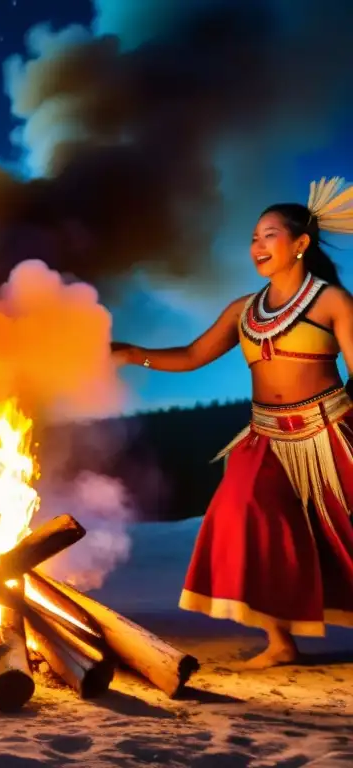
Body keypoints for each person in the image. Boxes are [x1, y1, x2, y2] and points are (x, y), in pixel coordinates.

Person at [113, 176, 353, 669]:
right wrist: (134, 353)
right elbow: (194, 354)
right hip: (264, 435)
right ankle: (280, 642)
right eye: (253, 238)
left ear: (300, 244)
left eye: (269, 235)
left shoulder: (331, 301)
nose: (258, 245)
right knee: (242, 510)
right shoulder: (243, 310)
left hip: (330, 432)